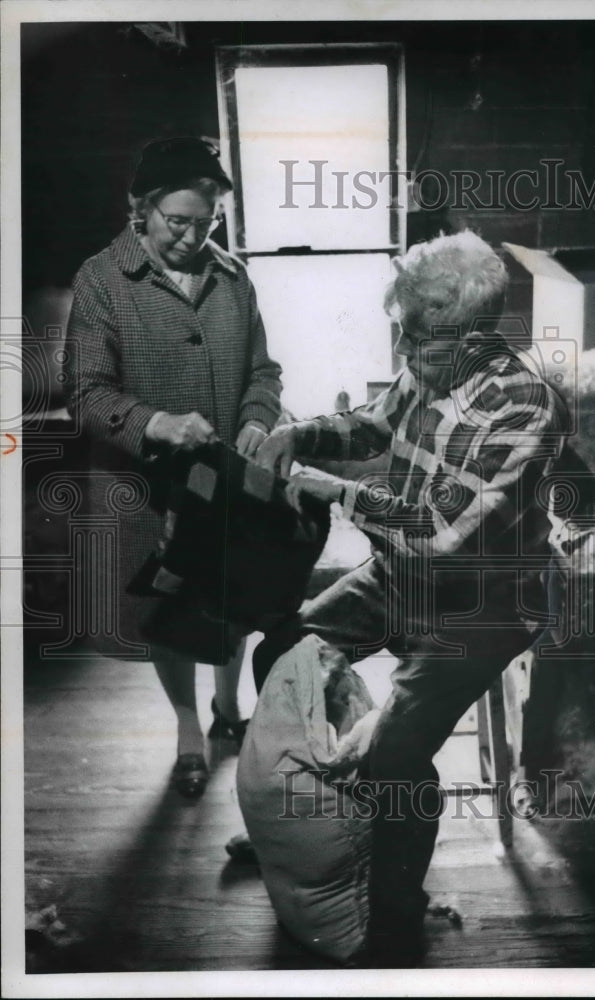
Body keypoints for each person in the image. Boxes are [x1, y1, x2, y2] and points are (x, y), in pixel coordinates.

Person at [254, 231, 568, 966]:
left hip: (484, 606)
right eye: (400, 329)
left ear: (469, 337)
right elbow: (373, 423)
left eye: (413, 335)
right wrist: (299, 435)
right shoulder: (425, 367)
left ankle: (393, 914)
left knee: (396, 758)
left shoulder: (525, 409)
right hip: (402, 578)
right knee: (282, 648)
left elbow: (444, 533)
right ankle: (309, 815)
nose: (399, 346)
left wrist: (338, 493)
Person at [64, 137, 283, 797]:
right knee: (169, 608)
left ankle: (228, 707)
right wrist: (156, 423)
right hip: (148, 485)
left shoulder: (234, 276)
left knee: (228, 598)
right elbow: (87, 394)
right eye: (177, 222)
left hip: (222, 480)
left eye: (206, 221)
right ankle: (189, 728)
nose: (192, 237)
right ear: (142, 210)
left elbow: (263, 373)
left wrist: (253, 420)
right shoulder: (102, 278)